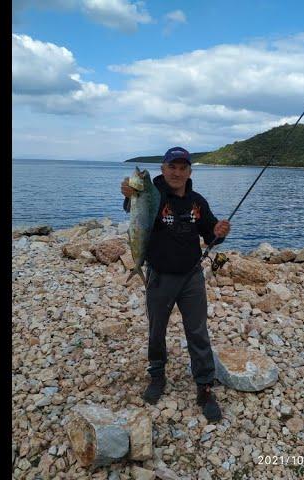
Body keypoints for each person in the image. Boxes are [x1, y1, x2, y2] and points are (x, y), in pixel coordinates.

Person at [121, 146, 231, 422]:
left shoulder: (198, 202)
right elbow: (135, 207)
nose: (177, 172)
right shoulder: (151, 195)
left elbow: (211, 237)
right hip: (159, 275)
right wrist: (128, 194)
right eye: (172, 166)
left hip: (192, 276)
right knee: (157, 330)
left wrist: (219, 233)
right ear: (163, 168)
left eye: (183, 168)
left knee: (197, 331)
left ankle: (204, 385)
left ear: (189, 171)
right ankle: (157, 376)